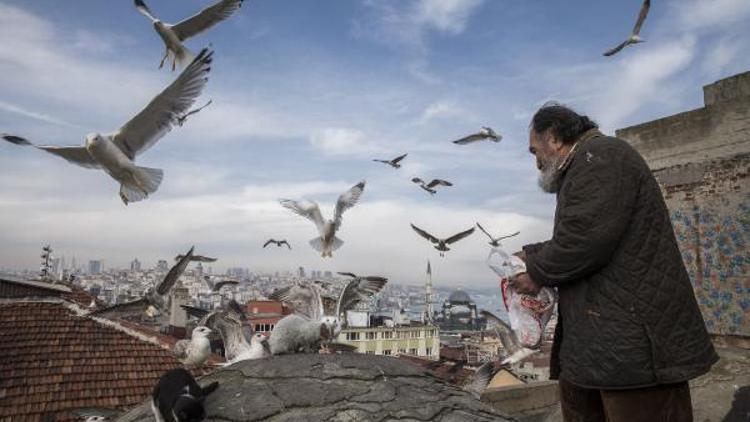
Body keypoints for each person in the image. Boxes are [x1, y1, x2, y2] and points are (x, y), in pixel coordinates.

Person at [513, 103, 718, 422]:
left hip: (633, 342)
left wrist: (536, 272)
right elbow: (586, 231)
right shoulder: (588, 162)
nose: (536, 161)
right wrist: (531, 253)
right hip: (606, 341)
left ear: (553, 138)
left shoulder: (601, 157)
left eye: (534, 150)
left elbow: (585, 241)